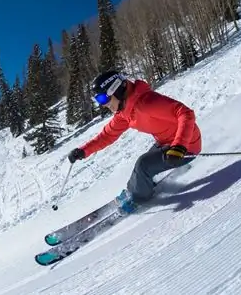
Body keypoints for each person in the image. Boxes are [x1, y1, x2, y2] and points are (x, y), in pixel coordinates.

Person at [67, 70, 201, 213]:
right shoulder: (125, 113)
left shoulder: (147, 102)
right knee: (140, 170)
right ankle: (135, 191)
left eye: (103, 99)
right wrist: (83, 150)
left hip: (187, 146)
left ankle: (137, 199)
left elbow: (185, 113)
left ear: (117, 89)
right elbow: (107, 135)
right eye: (98, 101)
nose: (103, 105)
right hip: (167, 144)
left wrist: (180, 146)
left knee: (143, 165)